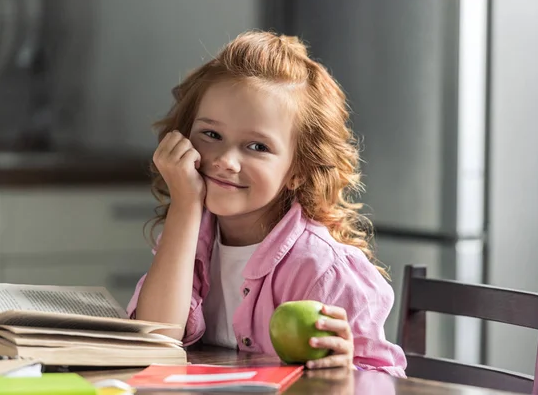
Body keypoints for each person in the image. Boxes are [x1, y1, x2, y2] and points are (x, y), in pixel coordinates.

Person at [126, 30, 407, 376]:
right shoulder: (192, 238)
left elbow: (385, 382)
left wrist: (348, 369)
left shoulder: (322, 269)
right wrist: (185, 205)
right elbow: (155, 343)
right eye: (211, 135)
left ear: (298, 171)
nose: (226, 160)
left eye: (257, 147)